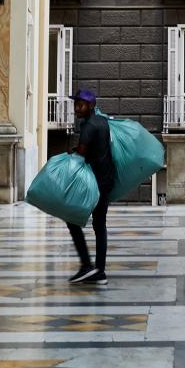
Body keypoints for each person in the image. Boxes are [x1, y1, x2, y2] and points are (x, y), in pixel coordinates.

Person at [67, 88, 116, 285]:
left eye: (81, 105)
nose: (77, 108)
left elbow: (81, 155)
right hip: (106, 180)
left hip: (92, 183)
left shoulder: (88, 127)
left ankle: (87, 266)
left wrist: (69, 156)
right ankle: (99, 271)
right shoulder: (102, 121)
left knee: (71, 219)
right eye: (76, 104)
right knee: (99, 225)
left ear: (91, 106)